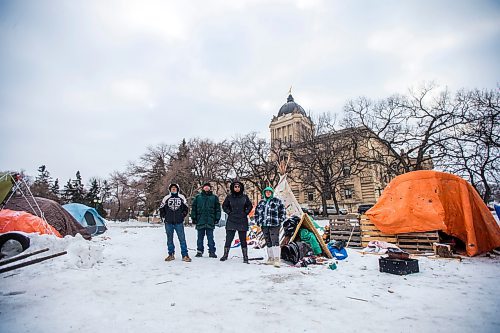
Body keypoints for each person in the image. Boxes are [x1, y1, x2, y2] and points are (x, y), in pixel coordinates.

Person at [220, 181, 253, 263]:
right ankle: (225, 255)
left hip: (242, 220)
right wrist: (229, 212)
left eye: (238, 186)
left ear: (241, 187)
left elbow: (250, 206)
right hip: (232, 220)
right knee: (229, 239)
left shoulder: (245, 197)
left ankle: (245, 256)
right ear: (233, 188)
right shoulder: (229, 197)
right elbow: (224, 206)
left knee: (243, 240)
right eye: (235, 186)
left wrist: (246, 212)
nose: (237, 188)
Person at [159, 183, 191, 262]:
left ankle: (185, 255)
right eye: (172, 188)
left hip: (179, 222)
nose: (174, 189)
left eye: (175, 188)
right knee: (169, 239)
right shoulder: (166, 198)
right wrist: (164, 216)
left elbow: (186, 208)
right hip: (168, 222)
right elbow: (161, 208)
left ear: (177, 189)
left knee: (182, 239)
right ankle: (171, 254)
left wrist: (182, 215)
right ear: (170, 189)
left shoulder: (181, 197)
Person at [255, 186, 286, 267]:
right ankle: (270, 258)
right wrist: (258, 221)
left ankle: (276, 259)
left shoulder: (277, 201)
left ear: (272, 193)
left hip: (274, 224)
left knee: (274, 241)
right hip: (264, 224)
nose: (268, 193)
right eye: (266, 192)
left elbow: (283, 211)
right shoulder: (261, 202)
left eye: (269, 192)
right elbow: (257, 212)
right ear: (264, 193)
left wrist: (280, 219)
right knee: (268, 241)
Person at [191, 182, 221, 258]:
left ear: (210, 188)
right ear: (203, 188)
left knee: (210, 237)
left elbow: (217, 209)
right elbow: (194, 208)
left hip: (210, 220)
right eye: (205, 187)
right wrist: (193, 218)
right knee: (200, 238)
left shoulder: (214, 197)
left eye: (208, 187)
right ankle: (199, 251)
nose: (206, 188)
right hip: (200, 220)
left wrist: (217, 218)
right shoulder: (198, 197)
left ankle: (212, 251)